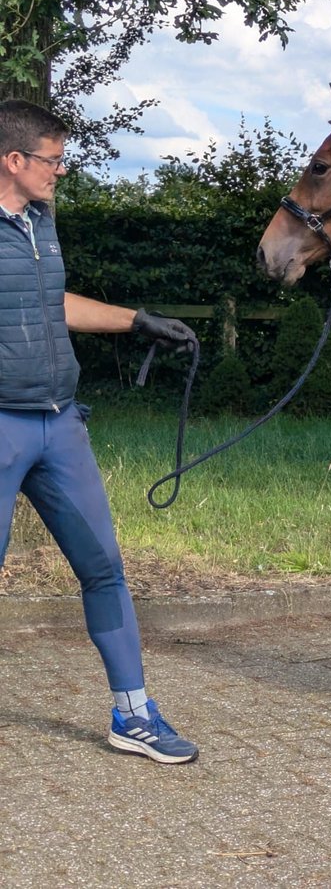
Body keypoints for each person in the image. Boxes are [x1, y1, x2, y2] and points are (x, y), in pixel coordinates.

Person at [0, 99, 199, 764]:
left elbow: (51, 303)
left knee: (105, 568)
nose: (60, 172)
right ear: (14, 159)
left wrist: (137, 320)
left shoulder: (39, 222)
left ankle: (133, 714)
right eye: (53, 161)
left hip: (60, 426)